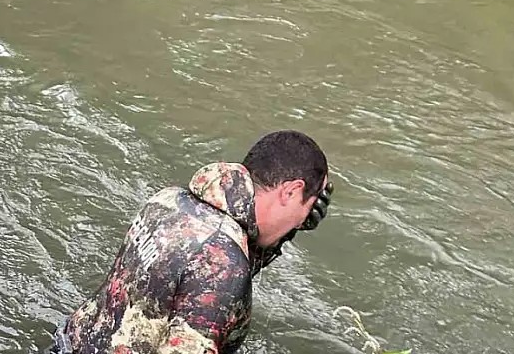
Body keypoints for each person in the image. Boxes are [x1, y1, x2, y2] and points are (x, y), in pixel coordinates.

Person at [51, 130, 333, 354]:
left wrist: (286, 232)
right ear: (291, 191)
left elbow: (200, 272)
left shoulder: (170, 200)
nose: (300, 220)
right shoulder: (223, 263)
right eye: (306, 207)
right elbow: (217, 272)